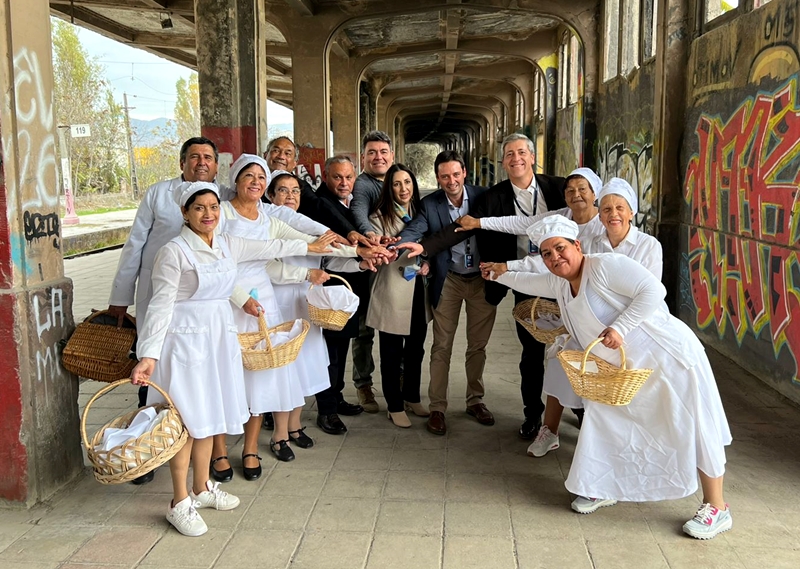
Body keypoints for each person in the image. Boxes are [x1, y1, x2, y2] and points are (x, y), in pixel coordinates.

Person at [482, 215, 733, 540]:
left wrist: (620, 327)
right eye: (546, 253)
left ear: (577, 245)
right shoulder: (559, 283)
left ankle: (717, 507)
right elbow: (529, 283)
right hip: (622, 371)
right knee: (604, 422)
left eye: (560, 248)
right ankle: (601, 486)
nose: (555, 257)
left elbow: (653, 290)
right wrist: (499, 274)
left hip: (667, 359)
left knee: (692, 424)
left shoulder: (604, 266)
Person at [129, 181, 336, 537]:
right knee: (185, 421)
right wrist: (148, 355)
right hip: (184, 343)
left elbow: (271, 245)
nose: (208, 214)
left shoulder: (226, 243)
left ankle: (202, 487)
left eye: (213, 207)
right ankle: (179, 501)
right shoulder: (173, 251)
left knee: (211, 415)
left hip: (218, 339)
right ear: (184, 213)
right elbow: (159, 305)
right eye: (199, 208)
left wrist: (310, 246)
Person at [402, 133, 567, 440]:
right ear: (502, 161)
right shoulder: (490, 196)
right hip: (497, 279)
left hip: (558, 279)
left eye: (521, 152)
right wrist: (422, 249)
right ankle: (526, 415)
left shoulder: (558, 188)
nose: (516, 159)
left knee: (572, 347)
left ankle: (477, 400)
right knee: (526, 352)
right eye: (509, 154)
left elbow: (579, 213)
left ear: (533, 157)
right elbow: (461, 229)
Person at [214, 154, 367, 469]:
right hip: (228, 302)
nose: (256, 182)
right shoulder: (222, 214)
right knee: (224, 375)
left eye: (261, 176)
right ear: (235, 180)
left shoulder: (268, 220)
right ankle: (218, 450)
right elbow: (221, 264)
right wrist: (241, 297)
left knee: (265, 374)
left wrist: (360, 251)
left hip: (263, 304)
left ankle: (253, 447)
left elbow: (310, 243)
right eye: (249, 176)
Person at [456, 167, 605, 451]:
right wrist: (480, 225)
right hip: (555, 289)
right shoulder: (559, 217)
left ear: (595, 193)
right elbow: (520, 226)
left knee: (586, 360)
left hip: (592, 307)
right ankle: (536, 417)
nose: (576, 195)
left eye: (582, 189)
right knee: (538, 355)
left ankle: (585, 414)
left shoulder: (604, 226)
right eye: (570, 190)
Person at [107, 136, 226, 485]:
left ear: (216, 166)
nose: (201, 162)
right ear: (182, 163)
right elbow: (135, 244)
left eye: (208, 157)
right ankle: (146, 451)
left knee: (196, 379)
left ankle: (203, 449)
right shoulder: (158, 194)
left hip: (201, 302)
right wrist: (120, 296)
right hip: (158, 297)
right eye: (194, 157)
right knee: (151, 375)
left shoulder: (222, 198)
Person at [267, 171, 378, 434]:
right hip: (277, 302)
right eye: (283, 190)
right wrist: (307, 274)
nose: (290, 196)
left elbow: (328, 260)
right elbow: (267, 267)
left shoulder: (309, 224)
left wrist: (361, 263)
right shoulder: (266, 225)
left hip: (307, 303)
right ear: (270, 196)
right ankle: (274, 416)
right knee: (279, 361)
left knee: (308, 361)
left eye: (295, 191)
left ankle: (304, 420)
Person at [395, 151, 495, 436]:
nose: (451, 181)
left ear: (464, 173)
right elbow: (414, 230)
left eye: (455, 174)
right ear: (437, 178)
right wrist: (397, 245)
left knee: (478, 345)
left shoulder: (483, 197)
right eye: (444, 176)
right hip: (448, 279)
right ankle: (438, 407)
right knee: (441, 346)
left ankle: (475, 400)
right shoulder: (431, 204)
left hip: (481, 279)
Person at [367, 164, 432, 428]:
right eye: (396, 184)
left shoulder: (423, 211)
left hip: (418, 288)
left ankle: (412, 397)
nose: (403, 188)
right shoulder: (377, 217)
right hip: (392, 289)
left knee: (416, 347)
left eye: (407, 182)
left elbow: (430, 244)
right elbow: (376, 251)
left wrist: (427, 260)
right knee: (391, 350)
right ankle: (394, 405)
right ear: (389, 188)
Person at [348, 130, 396, 413]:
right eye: (372, 152)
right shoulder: (363, 185)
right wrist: (369, 234)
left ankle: (398, 380)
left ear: (392, 155)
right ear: (363, 157)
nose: (378, 157)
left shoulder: (397, 179)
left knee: (396, 326)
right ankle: (363, 384)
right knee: (364, 330)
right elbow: (358, 210)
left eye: (383, 152)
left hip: (396, 268)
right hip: (369, 267)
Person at [264, 136, 369, 245]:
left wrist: (348, 232)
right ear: (265, 155)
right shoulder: (256, 184)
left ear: (295, 163)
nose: (281, 156)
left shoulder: (301, 186)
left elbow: (318, 207)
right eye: (276, 151)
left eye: (288, 153)